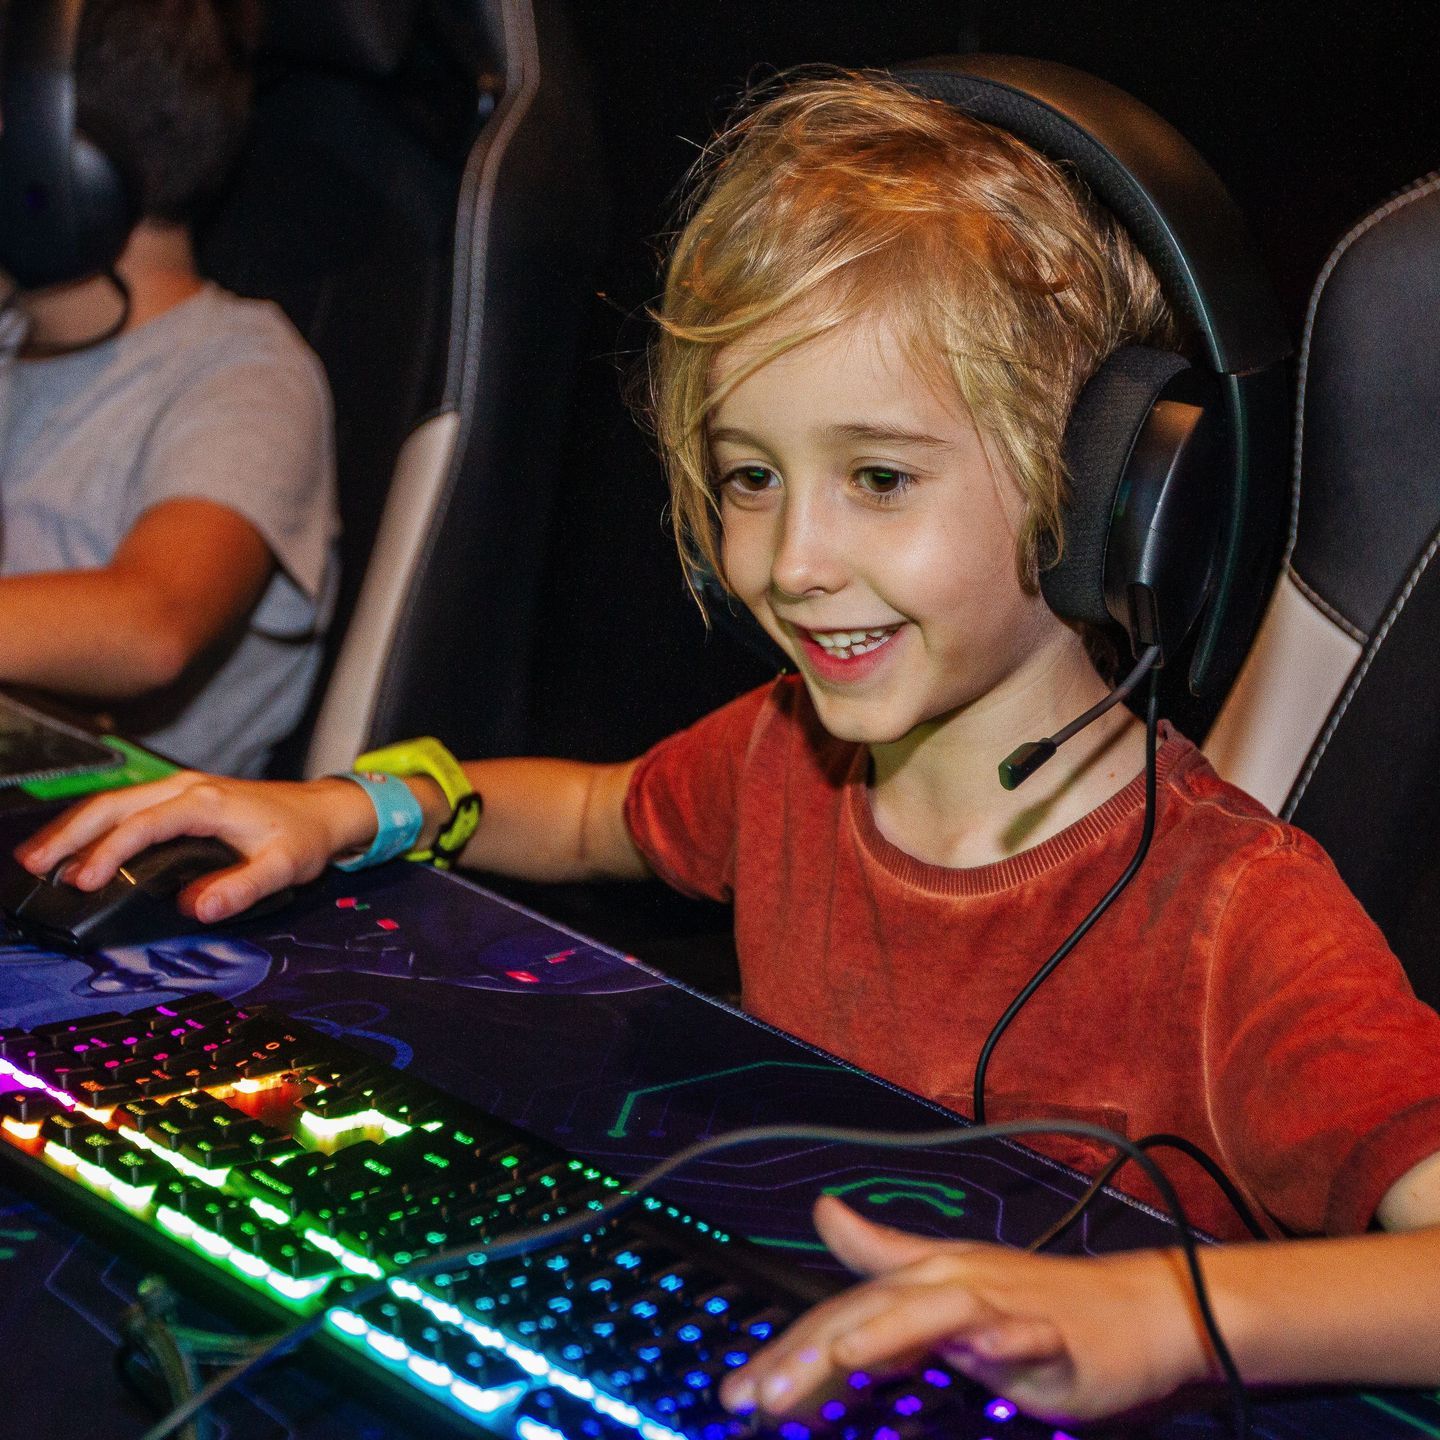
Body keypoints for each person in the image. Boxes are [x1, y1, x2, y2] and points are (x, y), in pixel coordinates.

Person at [15, 71, 1440, 1424]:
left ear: (1101, 495)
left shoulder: (1234, 920)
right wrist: (351, 811)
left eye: (879, 478)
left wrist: (1161, 1316)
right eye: (751, 476)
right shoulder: (781, 758)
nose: (795, 559)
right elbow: (585, 814)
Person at [0, 0, 337, 776]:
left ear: (52, 153)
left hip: (104, 860)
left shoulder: (244, 370)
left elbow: (153, 625)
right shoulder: (14, 339)